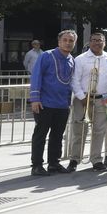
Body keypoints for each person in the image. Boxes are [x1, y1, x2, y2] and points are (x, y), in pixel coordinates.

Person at [29, 30, 77, 175]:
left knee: (57, 135)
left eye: (71, 41)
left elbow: (69, 83)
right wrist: (35, 99)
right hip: (45, 103)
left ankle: (54, 163)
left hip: (62, 104)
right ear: (59, 42)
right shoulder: (46, 56)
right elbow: (36, 76)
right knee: (40, 135)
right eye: (65, 40)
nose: (68, 43)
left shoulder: (71, 60)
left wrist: (69, 102)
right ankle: (36, 165)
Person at [66, 32, 107, 171]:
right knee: (79, 131)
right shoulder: (81, 59)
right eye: (94, 40)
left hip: (103, 98)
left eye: (100, 40)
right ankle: (74, 159)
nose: (97, 43)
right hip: (83, 98)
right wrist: (82, 97)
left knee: (99, 131)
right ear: (89, 42)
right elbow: (74, 79)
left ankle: (96, 159)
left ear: (105, 43)